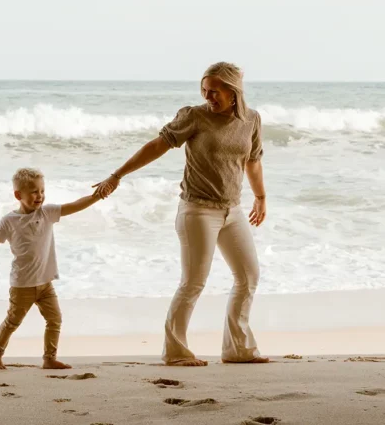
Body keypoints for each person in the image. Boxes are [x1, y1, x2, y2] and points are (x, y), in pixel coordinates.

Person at [93, 62, 269, 366]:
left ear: (232, 91)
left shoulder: (251, 119)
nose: (208, 96)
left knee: (248, 276)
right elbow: (158, 145)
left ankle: (237, 349)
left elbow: (252, 161)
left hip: (233, 210)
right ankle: (175, 352)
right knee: (193, 282)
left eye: (214, 91)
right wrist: (117, 174)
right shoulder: (194, 116)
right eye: (204, 90)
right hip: (197, 210)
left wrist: (261, 197)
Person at [0, 168, 105, 370]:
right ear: (19, 195)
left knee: (55, 320)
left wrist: (98, 195)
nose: (40, 196)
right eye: (34, 192)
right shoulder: (9, 221)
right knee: (12, 322)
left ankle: (49, 358)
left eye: (42, 191)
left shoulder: (48, 212)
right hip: (22, 285)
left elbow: (75, 205)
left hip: (45, 283)